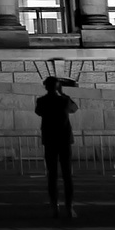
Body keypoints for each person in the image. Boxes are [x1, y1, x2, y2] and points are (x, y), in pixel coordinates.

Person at [36, 76, 77, 219]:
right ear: (57, 86)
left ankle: (55, 207)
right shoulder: (63, 100)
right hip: (64, 140)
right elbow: (74, 108)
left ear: (46, 86)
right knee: (67, 176)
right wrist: (63, 93)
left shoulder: (41, 101)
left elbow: (38, 112)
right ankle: (69, 207)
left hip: (50, 141)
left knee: (52, 176)